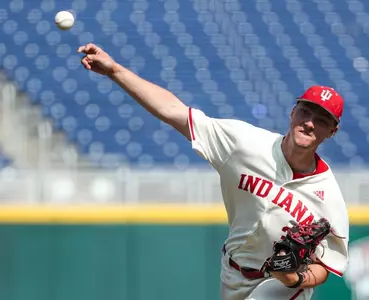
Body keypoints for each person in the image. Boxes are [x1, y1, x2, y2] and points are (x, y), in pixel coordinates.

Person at [78, 43, 350, 300]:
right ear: (293, 112)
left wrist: (294, 278)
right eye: (306, 112)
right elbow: (173, 111)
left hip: (280, 288)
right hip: (233, 272)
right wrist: (115, 70)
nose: (310, 123)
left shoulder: (328, 197)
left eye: (322, 120)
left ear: (332, 131)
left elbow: (326, 266)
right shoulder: (244, 143)